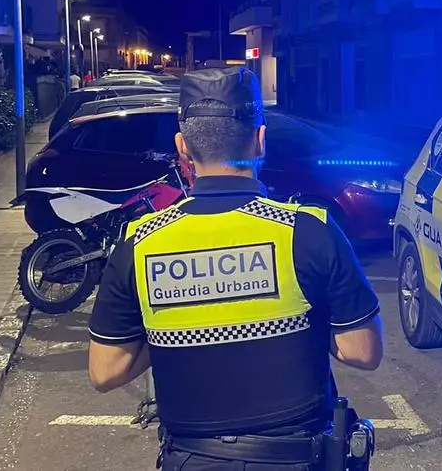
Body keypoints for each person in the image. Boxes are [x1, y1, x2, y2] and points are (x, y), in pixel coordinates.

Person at [86, 67, 383, 470]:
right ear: (261, 141)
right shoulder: (309, 231)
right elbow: (362, 352)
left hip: (191, 458)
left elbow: (105, 372)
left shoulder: (140, 243)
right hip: (296, 458)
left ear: (182, 148)